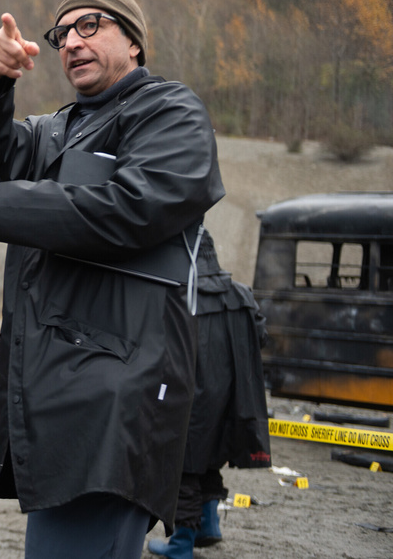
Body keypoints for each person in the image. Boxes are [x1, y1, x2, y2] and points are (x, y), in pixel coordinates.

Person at [0, 0, 226, 559]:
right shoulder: (56, 128)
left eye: (90, 26)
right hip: (56, 394)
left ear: (134, 40)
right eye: (61, 34)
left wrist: (2, 208)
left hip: (113, 396)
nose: (71, 42)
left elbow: (134, 207)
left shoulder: (170, 112)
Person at [148, 230, 271, 559]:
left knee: (184, 469)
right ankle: (210, 524)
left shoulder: (177, 296)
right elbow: (260, 337)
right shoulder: (242, 296)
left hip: (191, 401)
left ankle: (181, 544)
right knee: (211, 458)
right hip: (233, 402)